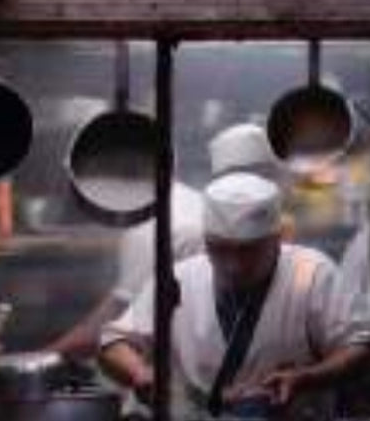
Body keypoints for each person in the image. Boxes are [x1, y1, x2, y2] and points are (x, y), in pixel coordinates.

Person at [98, 171, 370, 421]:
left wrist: (308, 377)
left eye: (248, 251)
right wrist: (141, 373)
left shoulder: (312, 274)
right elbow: (113, 342)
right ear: (206, 239)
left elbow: (364, 349)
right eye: (220, 249)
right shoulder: (180, 278)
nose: (233, 265)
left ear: (277, 238)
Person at [45, 121, 281, 360]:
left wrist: (45, 356)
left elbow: (113, 325)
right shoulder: (189, 201)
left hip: (190, 366)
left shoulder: (153, 227)